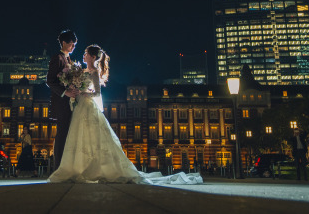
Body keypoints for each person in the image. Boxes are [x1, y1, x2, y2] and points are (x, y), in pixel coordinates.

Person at [48, 44, 202, 185]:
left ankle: (94, 169)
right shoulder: (82, 71)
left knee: (93, 137)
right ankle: (78, 167)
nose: (84, 55)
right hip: (80, 106)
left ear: (93, 57)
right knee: (79, 137)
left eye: (86, 53)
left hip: (87, 105)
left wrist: (82, 91)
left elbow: (97, 93)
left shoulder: (94, 72)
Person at [46, 29, 80, 169]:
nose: (73, 46)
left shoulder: (68, 59)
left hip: (69, 102)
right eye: (72, 43)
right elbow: (50, 81)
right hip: (61, 102)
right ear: (64, 42)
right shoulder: (57, 58)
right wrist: (65, 92)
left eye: (75, 44)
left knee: (67, 134)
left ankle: (65, 166)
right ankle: (58, 168)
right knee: (62, 134)